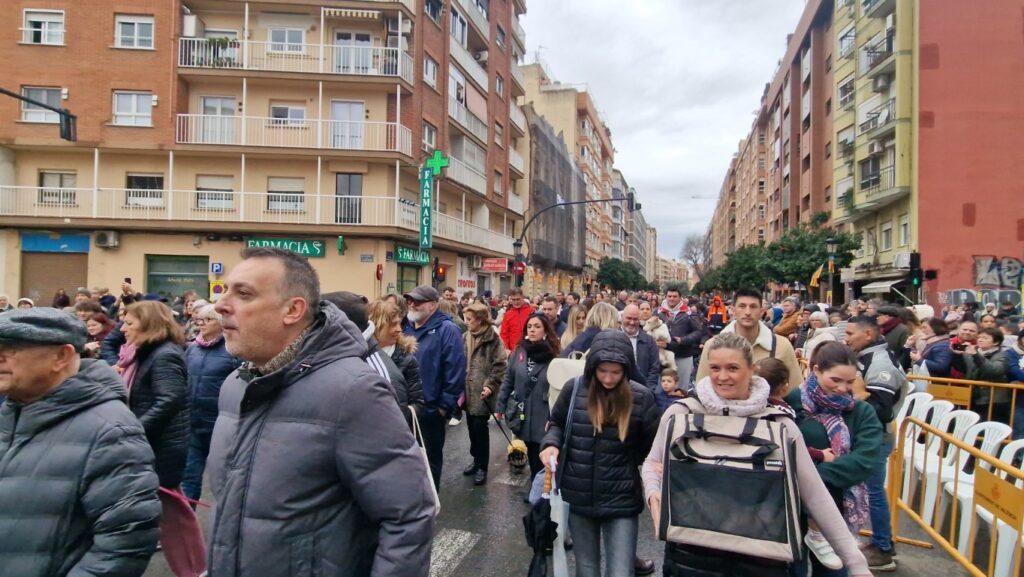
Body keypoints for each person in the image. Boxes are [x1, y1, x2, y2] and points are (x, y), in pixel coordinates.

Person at [207, 248, 435, 576]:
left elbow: (408, 517)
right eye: (226, 289)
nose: (221, 304)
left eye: (243, 293)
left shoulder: (354, 391)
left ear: (293, 309)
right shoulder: (235, 386)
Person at [643, 333, 872, 577]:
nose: (722, 377)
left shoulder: (780, 425)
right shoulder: (680, 414)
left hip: (760, 557)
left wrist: (856, 564)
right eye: (715, 368)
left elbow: (815, 495)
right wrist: (653, 493)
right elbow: (652, 463)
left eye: (733, 368)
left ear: (752, 369)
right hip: (689, 554)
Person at [0, 308, 162, 577]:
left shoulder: (110, 429)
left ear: (61, 356)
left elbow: (125, 542)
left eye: (10, 348)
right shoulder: (10, 412)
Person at [540, 330, 660, 577]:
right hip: (579, 495)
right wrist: (551, 443)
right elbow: (557, 422)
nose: (608, 378)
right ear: (592, 366)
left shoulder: (642, 397)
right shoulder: (573, 389)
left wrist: (641, 467)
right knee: (586, 569)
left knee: (621, 571)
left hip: (622, 499)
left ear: (626, 370)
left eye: (616, 372)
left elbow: (651, 448)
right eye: (602, 370)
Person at [119, 300, 206, 577]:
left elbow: (170, 399)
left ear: (148, 325)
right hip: (153, 444)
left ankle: (195, 569)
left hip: (161, 447)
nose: (123, 328)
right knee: (171, 513)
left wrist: (135, 429)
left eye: (130, 323)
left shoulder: (163, 354)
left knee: (173, 514)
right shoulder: (145, 351)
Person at [786, 342, 883, 575]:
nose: (843, 389)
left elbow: (864, 460)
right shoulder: (791, 403)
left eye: (850, 382)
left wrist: (813, 480)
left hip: (836, 507)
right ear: (816, 370)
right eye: (836, 380)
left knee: (834, 570)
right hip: (789, 505)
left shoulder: (861, 411)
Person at [844, 315, 906, 571]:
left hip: (876, 438)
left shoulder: (880, 362)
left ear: (868, 335)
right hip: (867, 437)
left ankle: (883, 547)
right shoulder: (866, 357)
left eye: (850, 334)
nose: (846, 339)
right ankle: (879, 542)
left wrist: (857, 394)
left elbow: (882, 410)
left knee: (874, 493)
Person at [403, 284, 467, 489]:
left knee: (429, 464)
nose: (412, 304)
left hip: (430, 412)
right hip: (405, 409)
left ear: (432, 305)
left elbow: (455, 371)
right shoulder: (405, 327)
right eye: (410, 300)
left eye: (418, 301)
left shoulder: (447, 330)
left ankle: (429, 508)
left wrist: (443, 408)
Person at [181, 304, 241, 504]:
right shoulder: (193, 349)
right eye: (200, 320)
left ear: (221, 323)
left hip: (219, 424)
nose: (202, 324)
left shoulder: (232, 349)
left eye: (209, 320)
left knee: (222, 479)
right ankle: (186, 528)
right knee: (189, 478)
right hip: (193, 422)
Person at [696, 288, 803, 390]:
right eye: (742, 306)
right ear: (733, 310)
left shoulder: (782, 345)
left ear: (762, 311)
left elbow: (795, 389)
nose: (747, 312)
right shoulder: (712, 345)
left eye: (753, 306)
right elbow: (702, 388)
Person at [497, 313, 561, 479]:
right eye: (530, 326)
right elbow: (508, 379)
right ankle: (535, 483)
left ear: (546, 330)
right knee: (529, 449)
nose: (532, 330)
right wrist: (500, 405)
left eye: (537, 327)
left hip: (543, 411)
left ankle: (540, 489)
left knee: (541, 451)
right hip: (522, 411)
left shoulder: (554, 354)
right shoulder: (520, 351)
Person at [462, 302, 508, 485]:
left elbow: (500, 365)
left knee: (481, 429)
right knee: (472, 429)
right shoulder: (465, 336)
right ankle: (475, 460)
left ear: (480, 320)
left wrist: (490, 385)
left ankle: (482, 466)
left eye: (469, 319)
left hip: (483, 392)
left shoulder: (493, 339)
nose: (466, 322)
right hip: (467, 390)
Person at [368, 299, 425, 428]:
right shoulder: (360, 356)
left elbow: (418, 403)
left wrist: (396, 416)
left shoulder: (407, 360)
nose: (399, 329)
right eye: (393, 325)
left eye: (399, 324)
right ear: (377, 325)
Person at [953, 327, 1011, 422]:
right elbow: (963, 369)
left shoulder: (1002, 355)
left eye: (985, 338)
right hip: (973, 397)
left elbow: (994, 371)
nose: (980, 339)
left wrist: (976, 356)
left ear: (996, 342)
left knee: (987, 429)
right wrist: (957, 355)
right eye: (979, 337)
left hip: (993, 400)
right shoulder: (974, 351)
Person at [658, 286, 704, 387]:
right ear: (665, 297)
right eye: (669, 296)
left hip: (683, 354)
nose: (672, 299)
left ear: (680, 298)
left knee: (681, 387)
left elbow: (698, 332)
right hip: (663, 356)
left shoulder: (689, 313)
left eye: (675, 296)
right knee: (663, 387)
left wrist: (684, 340)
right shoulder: (658, 312)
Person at [622, 304, 665, 407]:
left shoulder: (649, 341)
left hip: (642, 393)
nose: (632, 322)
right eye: (629, 318)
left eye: (635, 319)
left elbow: (654, 369)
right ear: (622, 317)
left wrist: (648, 392)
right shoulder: (612, 337)